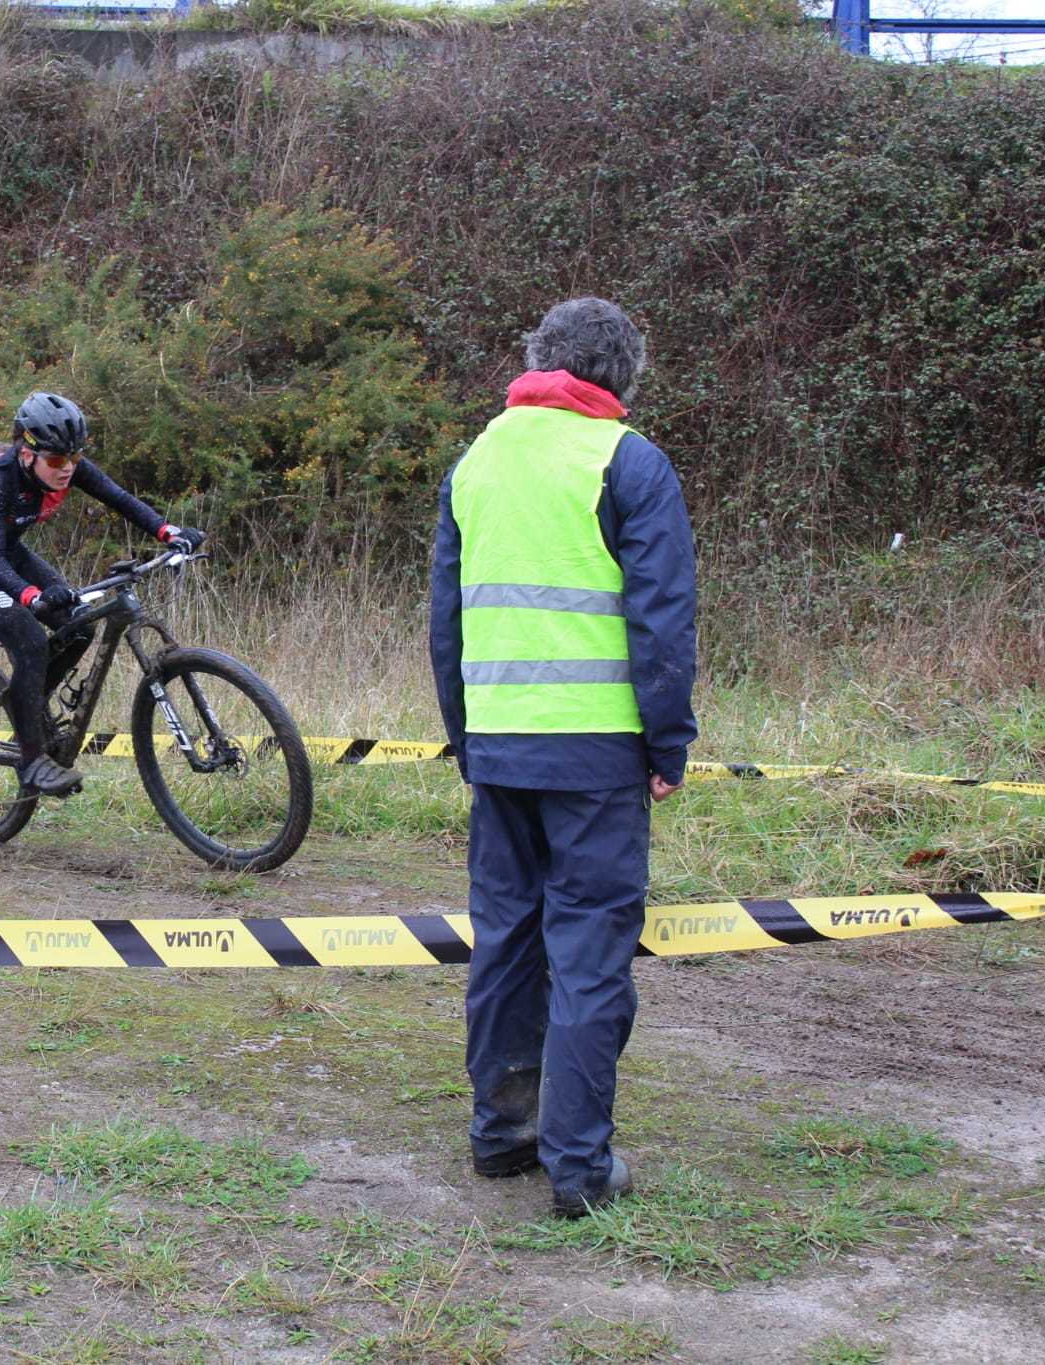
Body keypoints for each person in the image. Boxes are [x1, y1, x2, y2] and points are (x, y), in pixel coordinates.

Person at [428, 298, 697, 1218]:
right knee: (587, 953)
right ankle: (579, 1169)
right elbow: (662, 620)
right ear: (620, 377)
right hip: (596, 755)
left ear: (539, 359)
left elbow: (447, 622)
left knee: (505, 941)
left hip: (500, 746)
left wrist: (468, 737)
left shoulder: (477, 460)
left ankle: (502, 1136)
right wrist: (669, 743)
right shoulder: (630, 462)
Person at [0, 392, 203, 796]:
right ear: (27, 454)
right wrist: (31, 597)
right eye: (58, 461)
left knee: (79, 627)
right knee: (29, 640)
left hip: (9, 553)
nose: (68, 469)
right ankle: (30, 762)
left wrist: (170, 533)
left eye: (75, 459)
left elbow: (121, 499)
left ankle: (27, 709)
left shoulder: (67, 466)